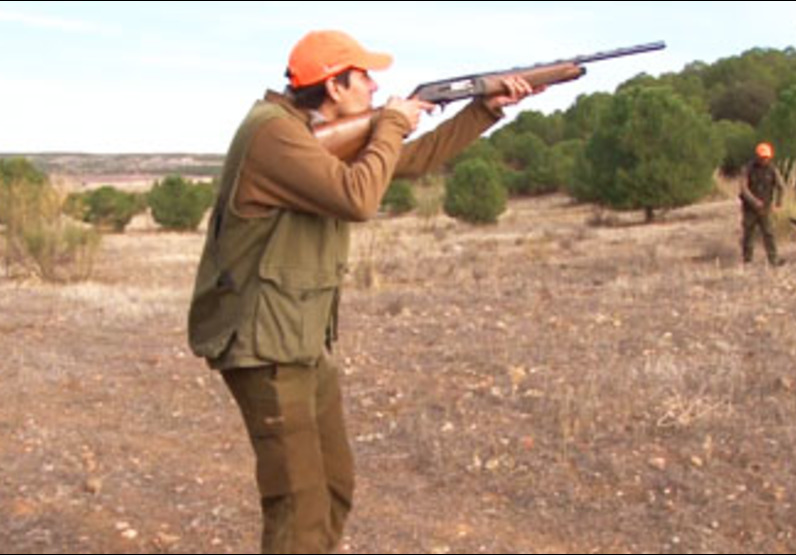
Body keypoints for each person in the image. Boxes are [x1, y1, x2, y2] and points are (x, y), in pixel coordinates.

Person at [186, 30, 538, 553]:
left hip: (300, 340)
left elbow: (407, 161)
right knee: (297, 505)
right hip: (264, 345)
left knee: (333, 486)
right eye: (365, 77)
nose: (376, 86)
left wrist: (483, 111)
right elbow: (358, 197)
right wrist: (393, 123)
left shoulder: (309, 130)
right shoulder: (273, 135)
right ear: (334, 85)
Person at [740, 142, 786, 266]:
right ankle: (747, 260)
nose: (764, 159)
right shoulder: (748, 169)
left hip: (765, 208)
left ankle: (773, 260)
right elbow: (743, 189)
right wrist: (754, 201)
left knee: (769, 233)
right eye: (762, 157)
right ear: (757, 156)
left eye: (766, 157)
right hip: (749, 208)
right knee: (748, 233)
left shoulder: (773, 170)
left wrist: (778, 203)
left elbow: (781, 186)